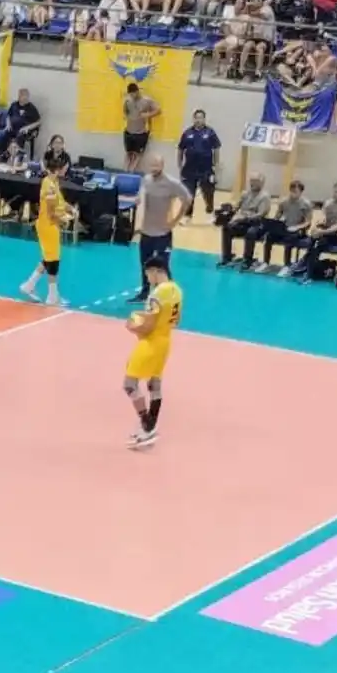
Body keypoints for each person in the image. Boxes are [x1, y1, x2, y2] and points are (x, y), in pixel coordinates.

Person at [123, 256, 182, 450]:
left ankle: (147, 426)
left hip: (151, 342)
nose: (148, 278)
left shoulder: (158, 293)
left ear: (156, 271)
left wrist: (133, 327)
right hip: (166, 341)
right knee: (154, 384)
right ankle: (148, 428)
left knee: (130, 384)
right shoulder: (177, 290)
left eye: (148, 274)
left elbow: (148, 326)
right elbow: (177, 320)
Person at [132, 153, 191, 301]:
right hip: (147, 231)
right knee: (145, 265)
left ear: (162, 166)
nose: (154, 168)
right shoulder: (146, 180)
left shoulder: (172, 183)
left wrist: (176, 219)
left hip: (163, 233)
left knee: (162, 265)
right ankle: (144, 292)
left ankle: (168, 294)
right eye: (151, 165)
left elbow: (187, 199)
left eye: (157, 165)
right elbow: (141, 198)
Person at [20, 154, 74, 305]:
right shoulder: (48, 184)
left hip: (51, 225)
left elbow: (61, 202)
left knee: (48, 258)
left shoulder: (54, 182)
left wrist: (71, 210)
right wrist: (63, 220)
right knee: (53, 261)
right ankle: (52, 297)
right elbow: (50, 212)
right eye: (65, 168)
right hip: (47, 226)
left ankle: (29, 285)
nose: (67, 170)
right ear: (59, 169)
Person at [176, 109, 221, 221]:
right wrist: (179, 164)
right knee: (188, 193)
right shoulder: (187, 133)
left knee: (208, 192)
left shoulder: (210, 132)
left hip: (206, 169)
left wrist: (216, 165)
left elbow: (216, 149)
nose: (198, 120)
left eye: (201, 118)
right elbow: (181, 149)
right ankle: (187, 215)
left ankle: (210, 211)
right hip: (189, 169)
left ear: (204, 119)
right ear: (193, 119)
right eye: (196, 117)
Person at [122, 82, 160, 172]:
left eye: (133, 94)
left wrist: (148, 115)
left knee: (137, 155)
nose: (132, 96)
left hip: (141, 132)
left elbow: (158, 110)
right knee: (128, 154)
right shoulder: (128, 101)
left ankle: (131, 172)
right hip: (129, 131)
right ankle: (124, 172)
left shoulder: (147, 100)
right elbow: (125, 112)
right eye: (130, 94)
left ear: (137, 91)